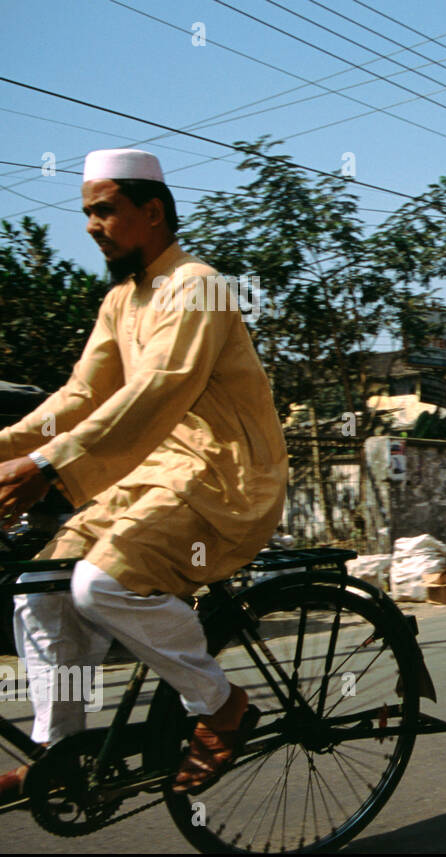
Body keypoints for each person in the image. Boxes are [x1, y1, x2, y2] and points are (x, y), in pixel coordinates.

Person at [0, 148, 288, 802]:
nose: (91, 226)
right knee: (39, 587)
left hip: (226, 477)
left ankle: (219, 704)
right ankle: (62, 752)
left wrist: (48, 465)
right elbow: (79, 399)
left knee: (101, 585)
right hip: (152, 476)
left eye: (104, 210)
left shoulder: (199, 285)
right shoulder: (119, 303)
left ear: (150, 211)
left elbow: (156, 391)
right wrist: (9, 448)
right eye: (87, 213)